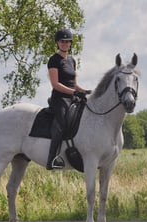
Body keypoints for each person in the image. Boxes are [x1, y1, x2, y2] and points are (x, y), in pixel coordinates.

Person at [46, 28, 91, 170]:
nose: (65, 43)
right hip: (60, 99)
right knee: (61, 124)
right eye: (62, 41)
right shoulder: (54, 60)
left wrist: (86, 92)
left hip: (73, 98)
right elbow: (55, 84)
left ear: (70, 43)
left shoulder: (72, 60)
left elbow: (75, 84)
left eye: (67, 41)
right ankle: (52, 159)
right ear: (57, 43)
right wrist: (74, 93)